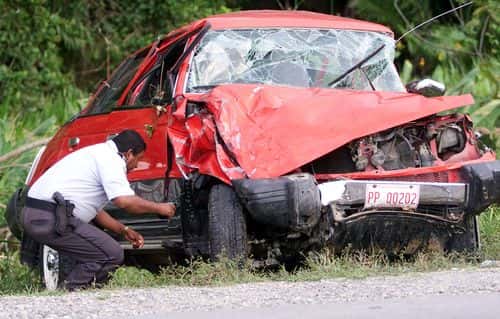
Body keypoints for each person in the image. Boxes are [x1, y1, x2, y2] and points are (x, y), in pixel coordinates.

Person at [22, 129, 176, 291]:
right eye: (138, 160)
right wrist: (160, 207)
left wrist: (123, 229)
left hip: (36, 213)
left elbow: (95, 211)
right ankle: (68, 294)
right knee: (111, 254)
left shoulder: (96, 153)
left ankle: (79, 292)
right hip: (50, 216)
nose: (136, 166)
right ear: (129, 154)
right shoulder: (111, 160)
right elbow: (124, 201)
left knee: (98, 252)